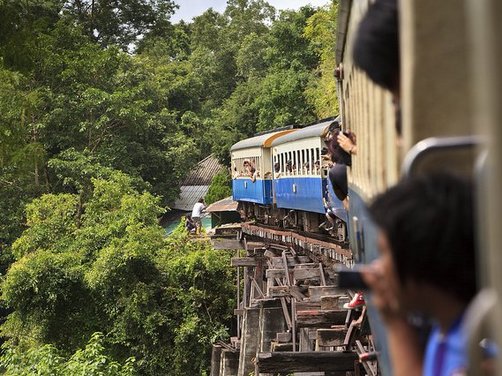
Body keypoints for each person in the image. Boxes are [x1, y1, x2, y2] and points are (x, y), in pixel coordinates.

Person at [361, 173, 476, 376]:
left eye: (384, 253)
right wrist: (395, 320)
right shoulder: (446, 331)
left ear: (418, 257)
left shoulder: (475, 355)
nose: (377, 266)